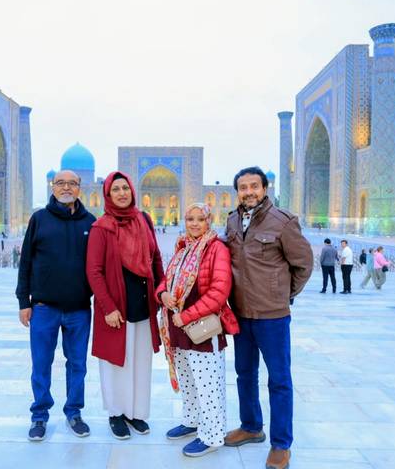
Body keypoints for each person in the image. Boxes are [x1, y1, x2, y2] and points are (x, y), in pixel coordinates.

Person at [223, 167, 313, 469]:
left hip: (272, 317)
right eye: (243, 187)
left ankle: (281, 444)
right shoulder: (232, 220)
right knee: (244, 374)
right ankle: (251, 426)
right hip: (241, 314)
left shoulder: (283, 222)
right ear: (237, 191)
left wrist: (284, 295)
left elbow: (303, 264)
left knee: (279, 380)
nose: (248, 192)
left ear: (265, 188)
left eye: (254, 186)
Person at [15, 169, 96, 442]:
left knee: (77, 364)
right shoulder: (39, 219)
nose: (66, 187)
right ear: (52, 186)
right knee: (41, 364)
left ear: (79, 188)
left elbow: (99, 268)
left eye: (71, 183)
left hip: (79, 309)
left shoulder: (91, 222)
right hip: (44, 308)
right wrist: (23, 301)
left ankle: (74, 412)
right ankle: (39, 416)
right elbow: (25, 261)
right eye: (60, 183)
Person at [156, 203, 239, 457]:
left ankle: (212, 435)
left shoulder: (216, 248)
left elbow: (218, 292)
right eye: (189, 218)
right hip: (178, 328)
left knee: (208, 384)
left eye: (199, 219)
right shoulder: (183, 248)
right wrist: (163, 294)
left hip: (203, 328)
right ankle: (192, 420)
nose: (194, 223)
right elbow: (165, 280)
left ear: (209, 220)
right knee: (189, 380)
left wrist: (187, 315)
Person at [86, 171, 164, 440]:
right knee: (116, 362)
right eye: (115, 189)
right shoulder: (102, 227)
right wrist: (108, 308)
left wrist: (161, 291)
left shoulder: (144, 220)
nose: (121, 193)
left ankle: (136, 413)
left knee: (140, 361)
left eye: (125, 188)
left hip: (143, 304)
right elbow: (94, 271)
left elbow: (155, 260)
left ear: (132, 190)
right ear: (108, 195)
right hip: (115, 306)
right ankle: (116, 414)